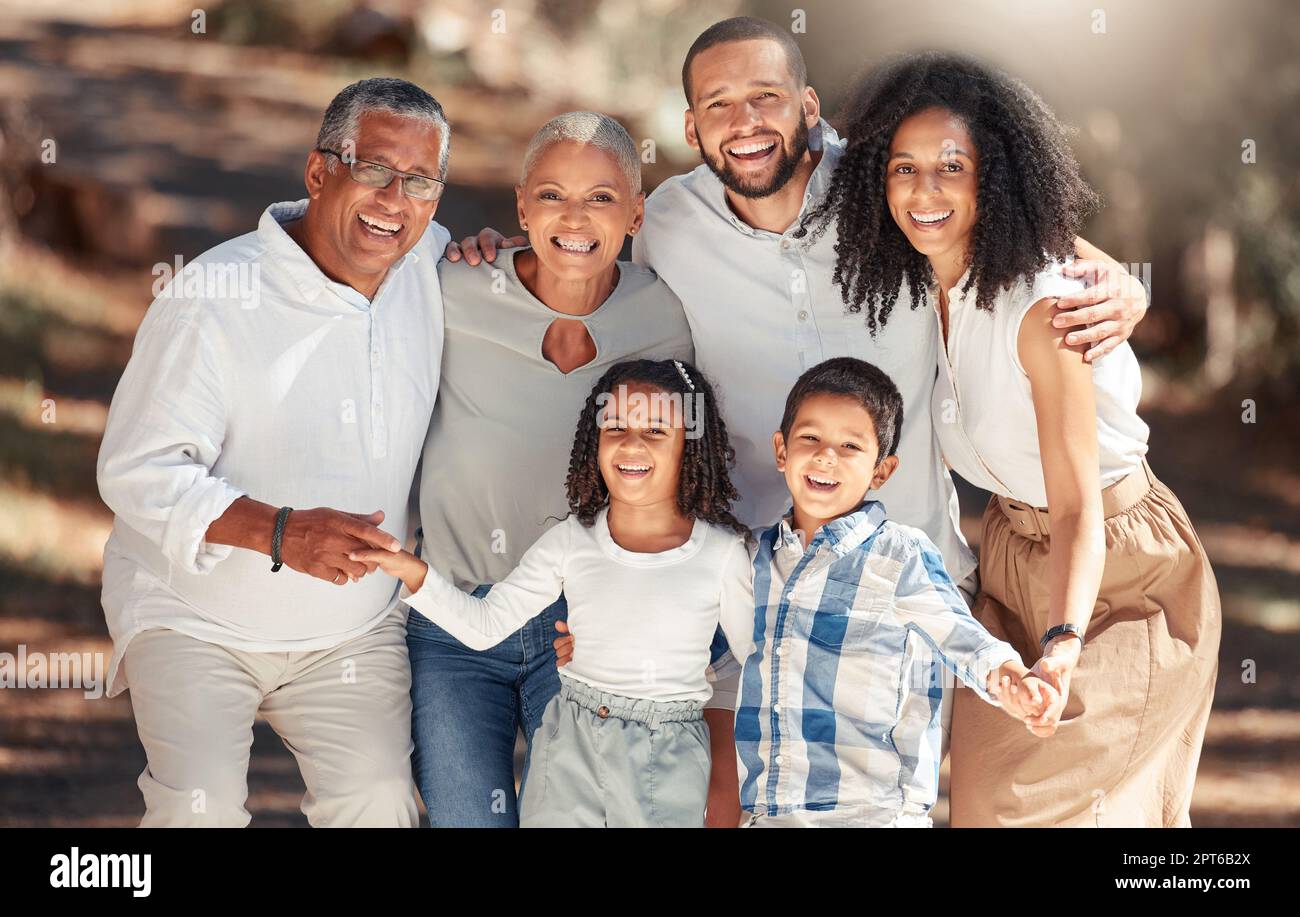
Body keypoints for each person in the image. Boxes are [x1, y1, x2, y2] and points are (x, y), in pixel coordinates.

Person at [809, 52, 1221, 827]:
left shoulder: (1043, 311)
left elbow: (1075, 511)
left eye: (951, 167)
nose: (923, 190)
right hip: (1008, 564)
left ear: (992, 179)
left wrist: (1063, 642)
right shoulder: (917, 281)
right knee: (985, 807)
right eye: (903, 167)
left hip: (1120, 575)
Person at [96, 78, 453, 826]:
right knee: (200, 808)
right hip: (193, 618)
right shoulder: (212, 297)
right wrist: (284, 532)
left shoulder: (435, 270)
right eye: (375, 170)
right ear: (320, 172)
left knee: (382, 803)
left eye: (420, 181)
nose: (395, 201)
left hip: (350, 630)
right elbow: (138, 471)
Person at [561, 356, 1057, 827]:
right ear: (782, 451)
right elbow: (685, 635)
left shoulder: (899, 556)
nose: (825, 456)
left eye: (851, 447)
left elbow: (965, 642)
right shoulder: (749, 558)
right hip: (769, 812)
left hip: (872, 815)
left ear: (882, 471)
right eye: (811, 437)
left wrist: (1012, 680)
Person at [407, 112, 733, 827]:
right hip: (456, 622)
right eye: (551, 196)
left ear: (636, 213)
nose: (574, 218)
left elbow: (691, 452)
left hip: (579, 627)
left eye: (601, 198)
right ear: (522, 206)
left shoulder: (667, 317)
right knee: (468, 817)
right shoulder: (453, 290)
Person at [359, 359, 750, 827]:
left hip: (666, 752)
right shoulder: (572, 540)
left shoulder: (722, 555)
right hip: (568, 740)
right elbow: (486, 627)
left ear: (690, 447)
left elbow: (759, 667)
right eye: (617, 426)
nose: (631, 443)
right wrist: (412, 570)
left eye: (656, 431)